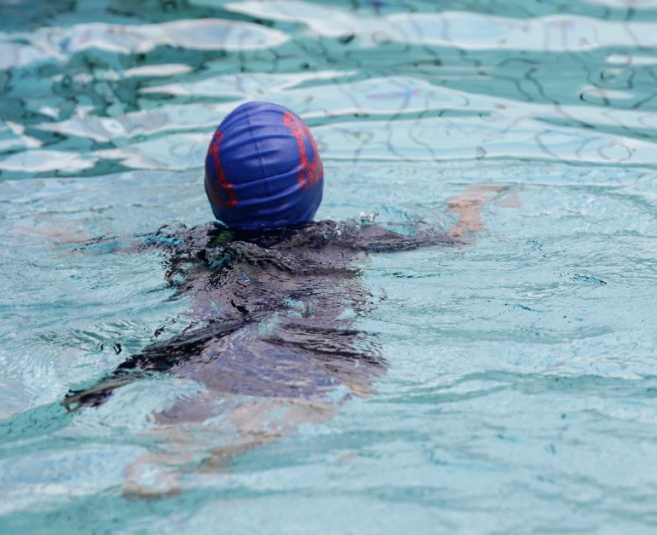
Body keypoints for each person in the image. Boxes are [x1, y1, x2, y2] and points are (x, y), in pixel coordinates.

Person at [64, 101, 505, 496]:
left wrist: (58, 237)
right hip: (317, 350)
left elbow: (99, 245)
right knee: (327, 394)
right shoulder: (345, 238)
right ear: (314, 182)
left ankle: (163, 459)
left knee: (186, 414)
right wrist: (470, 205)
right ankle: (228, 444)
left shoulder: (192, 242)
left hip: (205, 349)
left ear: (214, 191)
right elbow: (458, 239)